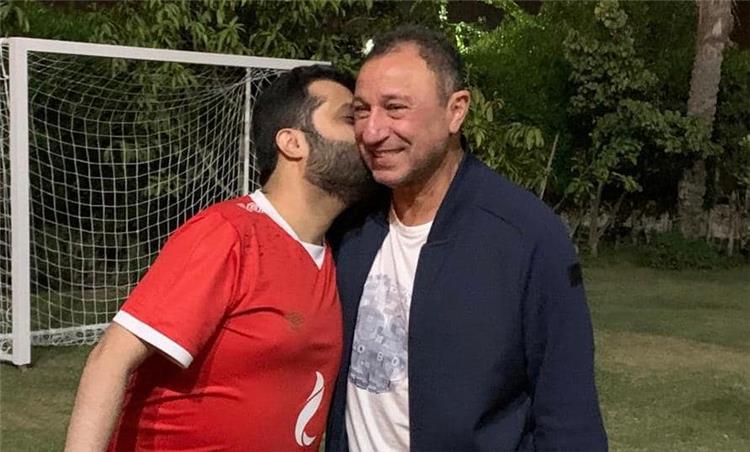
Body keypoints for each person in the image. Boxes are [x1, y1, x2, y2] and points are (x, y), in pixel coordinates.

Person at [325, 26, 608, 451]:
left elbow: (569, 416)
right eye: (361, 111)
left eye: (395, 108)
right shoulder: (349, 226)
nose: (372, 131)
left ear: (455, 111)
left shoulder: (526, 236)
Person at [65, 64, 374, 452]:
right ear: (293, 143)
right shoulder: (228, 234)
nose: (367, 132)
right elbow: (109, 360)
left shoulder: (335, 252)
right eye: (350, 118)